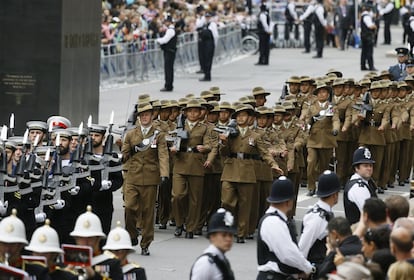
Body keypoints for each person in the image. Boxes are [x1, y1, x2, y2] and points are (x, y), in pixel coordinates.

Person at [219, 104, 283, 243]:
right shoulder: (230, 132)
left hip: (248, 171)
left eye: (244, 115)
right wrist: (223, 143)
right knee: (226, 201)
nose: (241, 118)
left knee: (245, 204)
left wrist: (274, 165)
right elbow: (223, 153)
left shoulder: (255, 136)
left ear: (249, 118)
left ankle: (241, 233)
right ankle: (229, 227)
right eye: (239, 116)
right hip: (231, 169)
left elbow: (264, 153)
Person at [121, 102, 169, 255]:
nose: (144, 117)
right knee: (129, 207)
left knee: (148, 212)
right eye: (142, 115)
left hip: (150, 177)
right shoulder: (131, 134)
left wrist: (164, 173)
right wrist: (121, 152)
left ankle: (146, 243)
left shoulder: (158, 135)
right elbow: (125, 154)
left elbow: (163, 154)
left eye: (147, 114)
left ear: (152, 116)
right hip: (133, 176)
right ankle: (132, 235)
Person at [257, 176, 315, 279]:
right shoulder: (274, 221)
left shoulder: (276, 219)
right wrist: (308, 268)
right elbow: (288, 254)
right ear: (289, 202)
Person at [299, 170, 340, 269]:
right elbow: (303, 247)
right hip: (316, 269)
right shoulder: (317, 218)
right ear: (335, 194)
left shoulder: (324, 213)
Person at [304, 82, 339, 196]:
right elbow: (307, 120)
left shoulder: (332, 107)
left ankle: (323, 187)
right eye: (319, 92)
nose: (322, 94)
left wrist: (335, 129)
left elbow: (335, 119)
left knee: (324, 167)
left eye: (324, 92)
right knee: (311, 163)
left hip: (326, 140)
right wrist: (306, 127)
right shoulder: (312, 106)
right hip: (313, 139)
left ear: (328, 94)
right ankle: (311, 187)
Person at [70, 205, 123, 279]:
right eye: (81, 238)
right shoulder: (67, 262)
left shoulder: (112, 263)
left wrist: (93, 275)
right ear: (76, 239)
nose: (86, 242)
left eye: (90, 238)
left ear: (98, 239)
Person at [190, 208, 236, 280]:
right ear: (212, 236)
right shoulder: (205, 263)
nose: (228, 239)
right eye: (224, 235)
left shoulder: (221, 259)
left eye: (230, 235)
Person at [343, 147, 377, 225]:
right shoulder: (358, 187)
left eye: (370, 166)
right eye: (365, 166)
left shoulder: (366, 182)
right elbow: (370, 213)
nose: (369, 168)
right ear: (356, 168)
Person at [158, 15, 177, 92]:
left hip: (169, 51)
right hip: (169, 51)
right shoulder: (170, 29)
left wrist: (157, 40)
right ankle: (168, 84)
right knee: (169, 68)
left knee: (168, 68)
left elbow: (165, 40)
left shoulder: (170, 30)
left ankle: (168, 85)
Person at [198, 12, 218, 82]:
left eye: (208, 17)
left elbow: (215, 35)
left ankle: (208, 75)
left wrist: (214, 44)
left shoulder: (212, 25)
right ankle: (206, 74)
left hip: (209, 43)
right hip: (204, 43)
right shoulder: (204, 24)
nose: (207, 18)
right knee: (204, 59)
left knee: (208, 60)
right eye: (206, 17)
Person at [360, 3, 377, 71]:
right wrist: (375, 26)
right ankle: (371, 66)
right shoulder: (367, 16)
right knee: (369, 52)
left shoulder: (363, 15)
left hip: (364, 35)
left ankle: (363, 65)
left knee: (364, 51)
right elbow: (370, 26)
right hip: (368, 36)